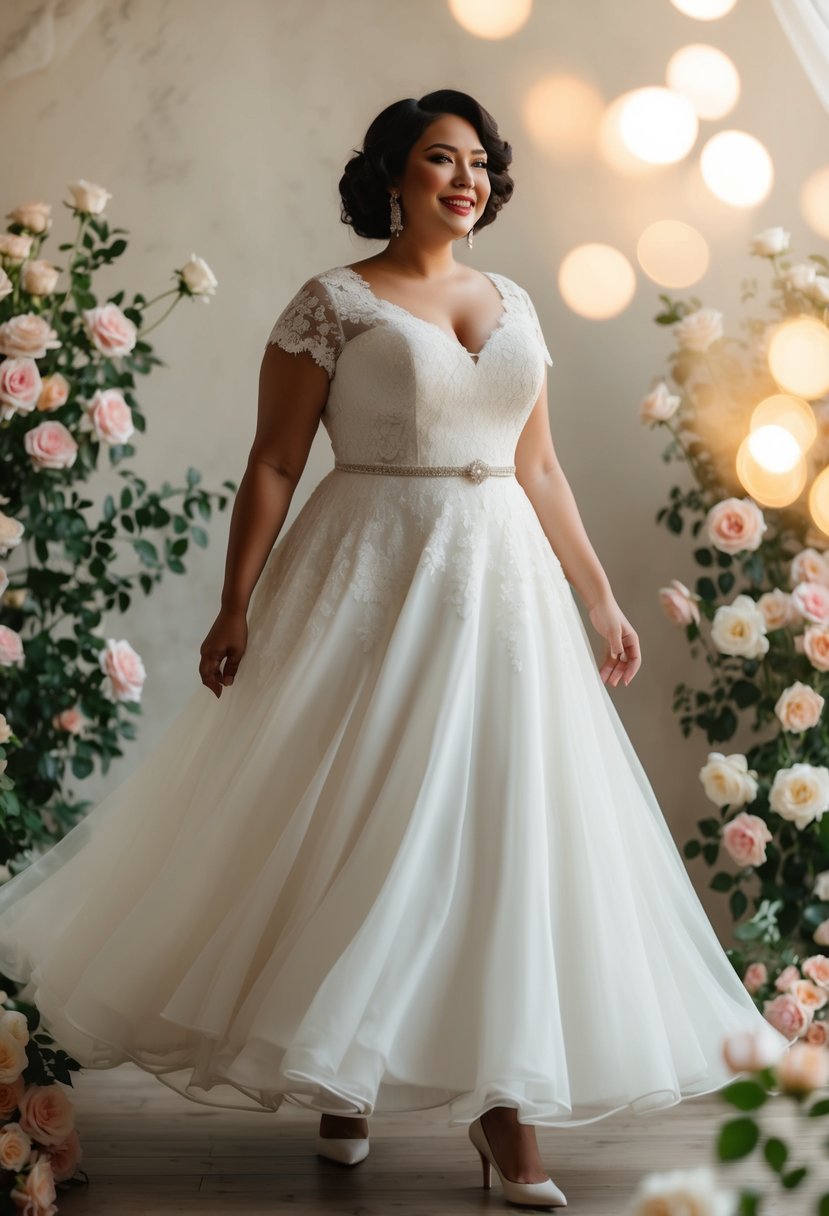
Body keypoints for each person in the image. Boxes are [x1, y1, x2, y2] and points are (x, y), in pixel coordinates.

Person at [0, 89, 795, 1211]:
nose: (464, 180)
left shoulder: (513, 300)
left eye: (478, 162)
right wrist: (236, 604)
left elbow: (542, 467)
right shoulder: (332, 304)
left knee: (496, 822)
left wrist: (601, 598)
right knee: (355, 815)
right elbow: (275, 461)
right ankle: (345, 1079)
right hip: (370, 573)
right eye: (438, 159)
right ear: (391, 176)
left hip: (502, 584)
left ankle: (503, 1114)